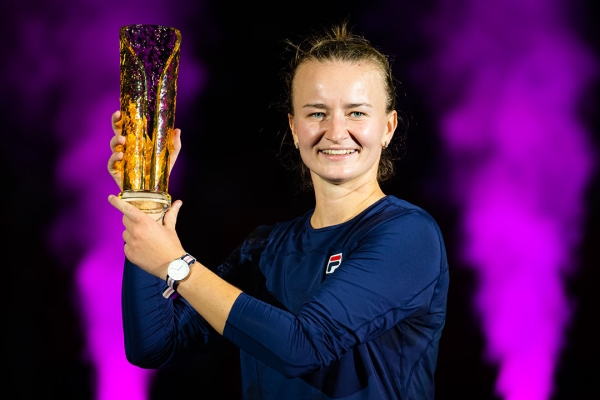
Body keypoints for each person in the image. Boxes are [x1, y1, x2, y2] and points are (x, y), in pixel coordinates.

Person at [107, 21, 449, 400]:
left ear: (388, 127)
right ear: (293, 126)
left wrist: (177, 265)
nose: (336, 131)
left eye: (356, 113)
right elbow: (155, 346)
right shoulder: (267, 247)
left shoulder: (409, 235)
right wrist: (147, 196)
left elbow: (302, 347)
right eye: (316, 113)